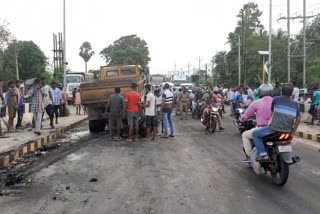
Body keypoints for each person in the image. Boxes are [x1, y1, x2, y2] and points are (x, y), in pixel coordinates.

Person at [252, 84, 301, 161]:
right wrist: (293, 132)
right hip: (288, 130)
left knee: (255, 134)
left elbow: (272, 112)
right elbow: (298, 118)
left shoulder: (276, 99)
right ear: (292, 93)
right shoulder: (295, 104)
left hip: (274, 129)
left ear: (281, 91)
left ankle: (263, 154)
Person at [240, 84, 273, 160]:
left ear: (261, 92)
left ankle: (251, 155)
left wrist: (241, 119)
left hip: (262, 128)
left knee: (245, 134)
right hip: (275, 128)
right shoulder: (276, 101)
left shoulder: (257, 102)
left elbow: (246, 115)